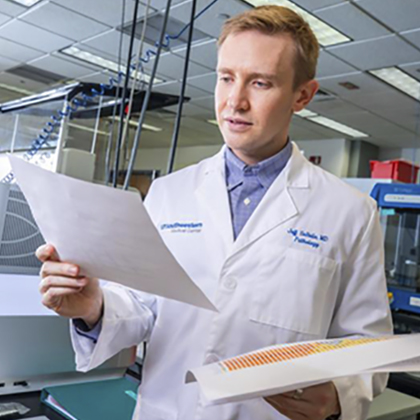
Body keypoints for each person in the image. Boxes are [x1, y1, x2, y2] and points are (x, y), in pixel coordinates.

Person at [37, 5, 392, 420]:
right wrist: (93, 307)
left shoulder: (351, 212)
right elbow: (142, 307)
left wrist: (337, 394)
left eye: (260, 83)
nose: (235, 101)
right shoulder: (169, 193)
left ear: (302, 95)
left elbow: (368, 348)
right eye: (226, 78)